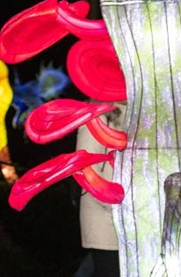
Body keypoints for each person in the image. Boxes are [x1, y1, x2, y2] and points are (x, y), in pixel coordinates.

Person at [75, 103, 125, 277]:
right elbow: (86, 166)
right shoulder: (96, 116)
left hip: (129, 218)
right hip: (106, 218)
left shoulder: (137, 111)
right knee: (109, 267)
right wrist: (114, 204)